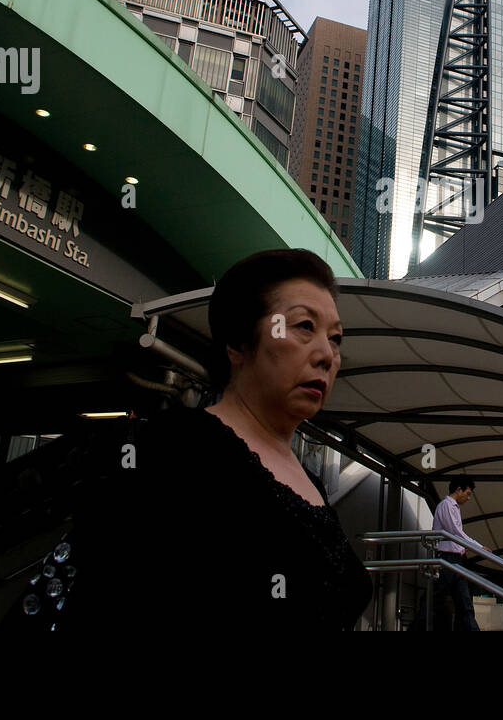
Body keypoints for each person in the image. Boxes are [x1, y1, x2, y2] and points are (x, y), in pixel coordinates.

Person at [64, 249, 373, 631]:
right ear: (239, 343)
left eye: (336, 338)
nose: (327, 354)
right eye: (304, 326)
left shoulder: (313, 483)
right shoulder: (174, 449)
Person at [430, 476, 489, 630]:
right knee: (436, 602)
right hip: (446, 559)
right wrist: (478, 547)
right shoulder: (446, 506)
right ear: (459, 490)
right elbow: (455, 532)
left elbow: (456, 534)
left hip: (455, 559)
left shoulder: (453, 507)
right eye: (468, 493)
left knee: (464, 603)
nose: (468, 498)